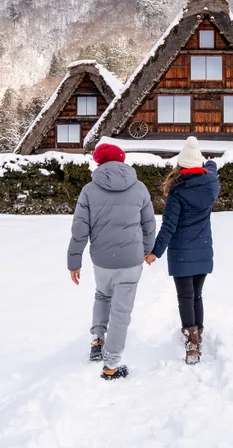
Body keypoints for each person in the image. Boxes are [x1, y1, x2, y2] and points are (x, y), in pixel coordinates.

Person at [67, 141, 156, 381]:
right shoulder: (139, 188)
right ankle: (111, 366)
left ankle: (98, 338)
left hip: (102, 259)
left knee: (102, 295)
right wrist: (148, 250)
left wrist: (74, 262)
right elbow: (149, 224)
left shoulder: (89, 190)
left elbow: (79, 229)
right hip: (130, 260)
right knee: (121, 311)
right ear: (122, 160)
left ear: (98, 162)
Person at [145, 136, 220, 365]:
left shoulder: (177, 192)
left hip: (182, 253)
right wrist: (208, 162)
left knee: (185, 297)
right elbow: (212, 167)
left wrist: (154, 252)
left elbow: (169, 226)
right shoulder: (211, 184)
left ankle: (192, 343)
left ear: (181, 165)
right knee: (196, 296)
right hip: (203, 250)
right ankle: (198, 337)